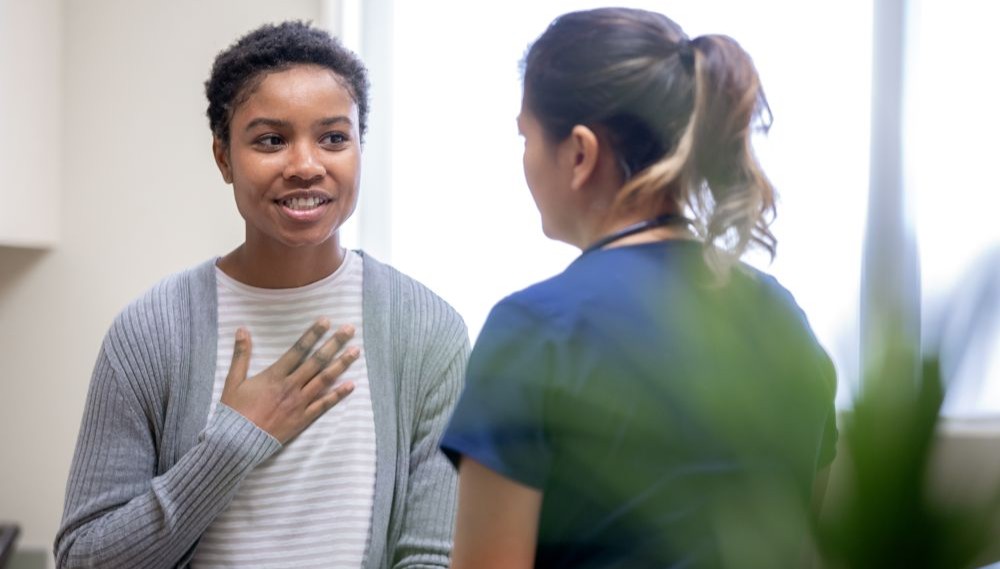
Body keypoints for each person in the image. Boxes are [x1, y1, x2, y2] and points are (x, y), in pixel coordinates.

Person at [55, 21, 468, 569]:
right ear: (224, 158)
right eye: (271, 140)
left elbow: (431, 558)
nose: (305, 165)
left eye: (334, 138)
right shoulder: (152, 332)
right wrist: (232, 442)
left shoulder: (427, 332)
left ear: (360, 149)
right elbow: (83, 559)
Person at [440, 8, 838, 569]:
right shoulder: (782, 315)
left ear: (580, 153)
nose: (525, 160)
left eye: (526, 137)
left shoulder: (534, 330)